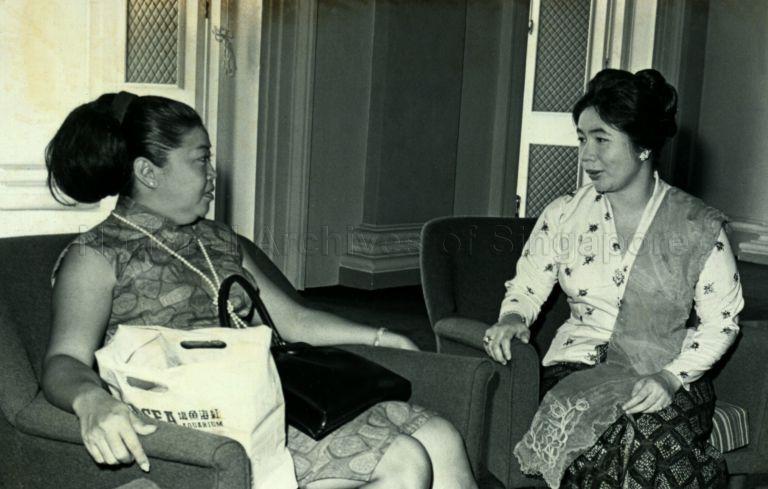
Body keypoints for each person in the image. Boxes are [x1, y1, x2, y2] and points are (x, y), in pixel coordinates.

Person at [41, 92, 478, 489]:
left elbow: (293, 320)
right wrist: (91, 400)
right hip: (197, 425)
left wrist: (381, 336)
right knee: (404, 462)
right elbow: (64, 359)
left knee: (441, 438)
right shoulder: (96, 255)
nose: (213, 175)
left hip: (261, 397)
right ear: (147, 172)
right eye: (200, 160)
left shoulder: (218, 239)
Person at [483, 69, 743, 488]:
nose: (586, 156)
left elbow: (722, 321)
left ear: (642, 147)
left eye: (601, 140)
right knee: (618, 435)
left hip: (668, 369)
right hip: (577, 367)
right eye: (582, 139)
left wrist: (670, 377)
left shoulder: (696, 225)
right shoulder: (564, 214)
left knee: (648, 433)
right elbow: (526, 287)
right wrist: (514, 317)